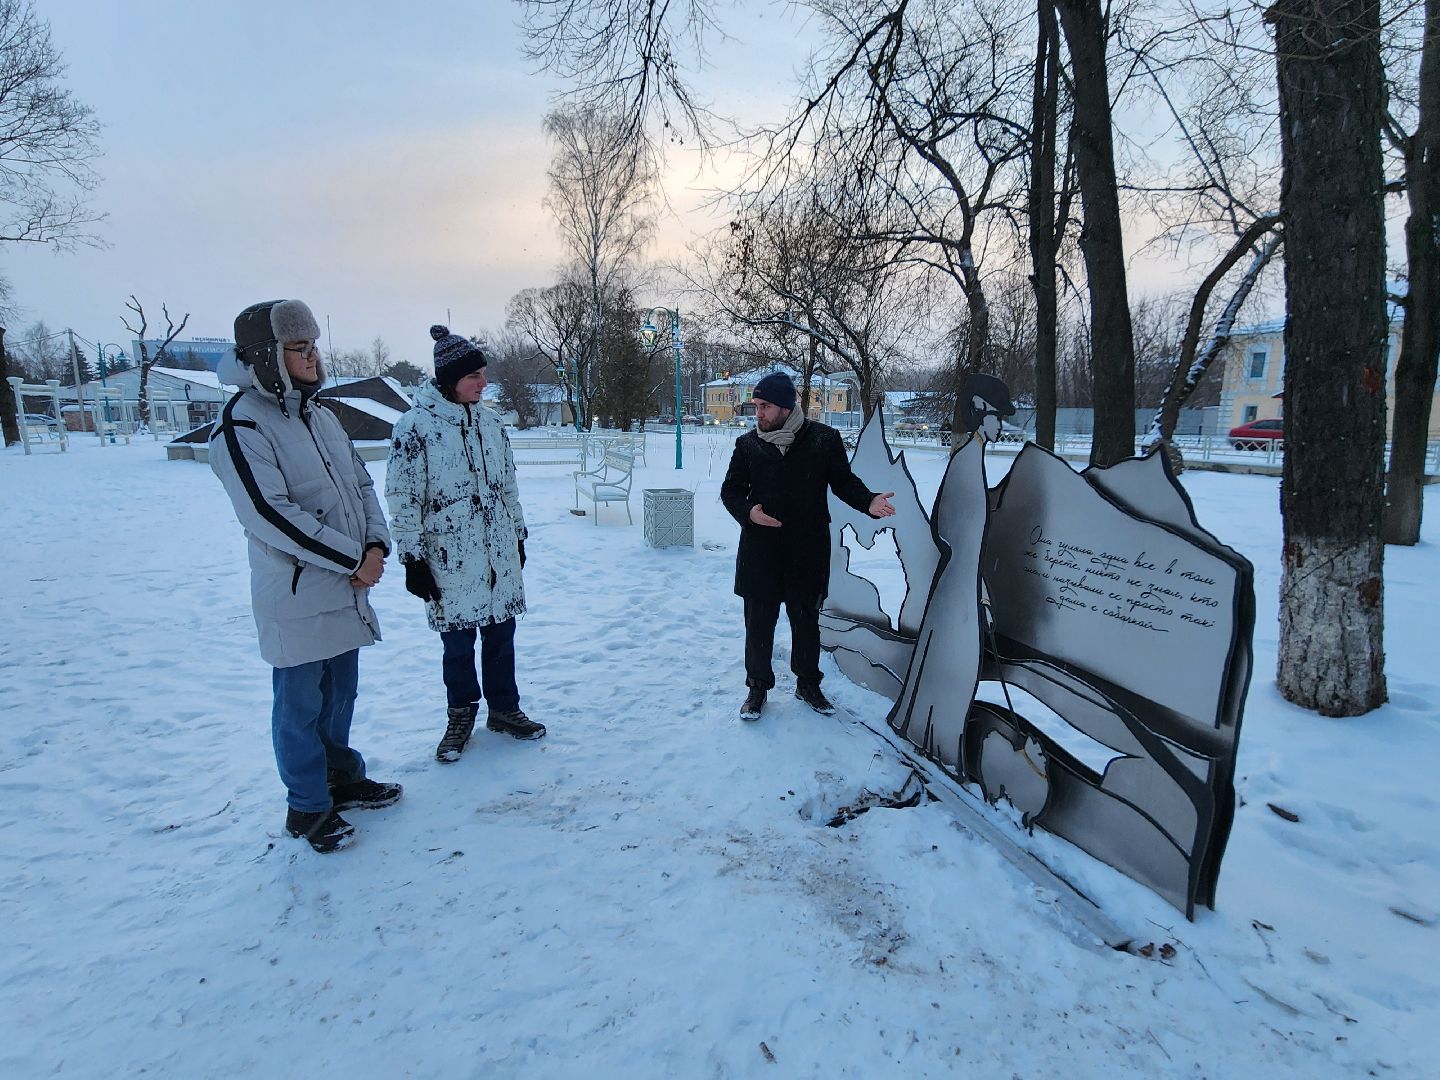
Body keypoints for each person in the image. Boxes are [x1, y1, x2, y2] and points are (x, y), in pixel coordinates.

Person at [209, 299, 401, 854]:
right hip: (297, 594)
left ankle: (342, 779)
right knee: (299, 706)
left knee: (341, 696)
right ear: (266, 356)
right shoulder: (243, 426)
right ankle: (307, 808)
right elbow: (269, 515)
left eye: (313, 344)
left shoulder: (323, 417)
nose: (312, 355)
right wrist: (354, 560)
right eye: (299, 347)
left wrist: (374, 544)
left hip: (345, 587)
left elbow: (361, 486)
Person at [385, 325, 543, 763]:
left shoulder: (492, 424)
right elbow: (403, 497)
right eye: (474, 375)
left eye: (483, 374)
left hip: (498, 552)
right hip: (449, 557)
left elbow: (509, 488)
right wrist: (412, 557)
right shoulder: (415, 427)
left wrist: (517, 536)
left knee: (501, 637)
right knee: (457, 645)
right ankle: (460, 715)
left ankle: (505, 710)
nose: (483, 382)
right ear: (450, 379)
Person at [720, 371, 896, 720]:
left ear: (787, 407)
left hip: (807, 549)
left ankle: (808, 684)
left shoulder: (823, 440)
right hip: (761, 551)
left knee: (806, 621)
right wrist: (749, 512)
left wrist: (869, 501)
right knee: (758, 623)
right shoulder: (748, 445)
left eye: (765, 406)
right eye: (756, 406)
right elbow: (731, 490)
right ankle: (757, 686)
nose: (759, 414)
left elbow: (844, 482)